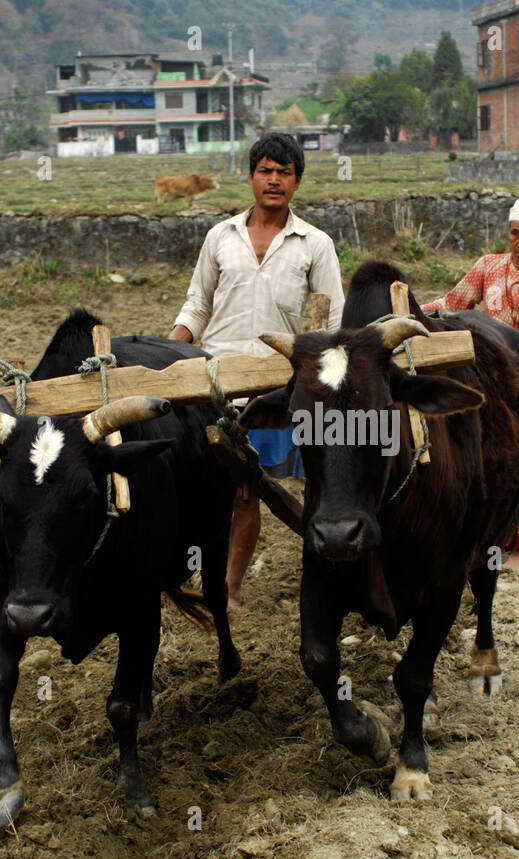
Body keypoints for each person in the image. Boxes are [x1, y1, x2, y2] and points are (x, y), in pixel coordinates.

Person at [169, 133, 344, 607]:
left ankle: (229, 587)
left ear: (297, 182)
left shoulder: (315, 244)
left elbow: (330, 324)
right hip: (216, 376)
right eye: (265, 171)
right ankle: (191, 572)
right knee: (206, 488)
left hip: (276, 385)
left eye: (283, 173)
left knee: (247, 489)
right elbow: (197, 304)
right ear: (251, 177)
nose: (273, 180)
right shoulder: (220, 237)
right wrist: (168, 359)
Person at [420, 197, 519, 572]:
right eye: (515, 234)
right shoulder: (489, 266)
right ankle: (494, 534)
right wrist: (412, 310)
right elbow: (454, 302)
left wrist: (515, 370)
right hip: (494, 377)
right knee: (493, 456)